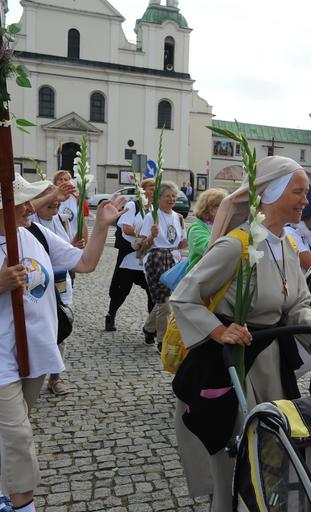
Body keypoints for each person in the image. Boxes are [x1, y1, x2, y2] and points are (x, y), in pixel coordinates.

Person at [169, 156, 311, 512]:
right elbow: (184, 297)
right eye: (298, 192)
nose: (305, 200)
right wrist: (219, 330)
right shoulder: (237, 245)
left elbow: (297, 302)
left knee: (271, 452)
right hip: (233, 365)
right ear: (271, 193)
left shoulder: (287, 245)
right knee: (234, 459)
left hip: (271, 366)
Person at [0, 174, 126, 512]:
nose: (30, 206)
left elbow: (85, 262)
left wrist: (102, 225)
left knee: (11, 432)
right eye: (22, 202)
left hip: (34, 354)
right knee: (18, 436)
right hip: (1, 361)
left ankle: (3, 489)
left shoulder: (34, 235)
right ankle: (22, 505)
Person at [29, 189, 86, 396]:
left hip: (61, 283)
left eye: (57, 204)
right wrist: (50, 195)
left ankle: (55, 376)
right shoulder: (30, 222)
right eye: (49, 204)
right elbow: (25, 209)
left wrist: (74, 245)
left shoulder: (62, 219)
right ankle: (30, 375)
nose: (54, 208)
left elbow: (67, 250)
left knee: (59, 328)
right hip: (36, 287)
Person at [138, 182, 188, 351]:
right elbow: (142, 245)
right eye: (168, 196)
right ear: (159, 198)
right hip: (156, 260)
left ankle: (148, 328)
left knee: (164, 301)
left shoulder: (178, 217)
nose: (171, 199)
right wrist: (151, 236)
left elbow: (181, 243)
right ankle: (162, 340)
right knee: (165, 303)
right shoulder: (152, 217)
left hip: (173, 260)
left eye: (174, 196)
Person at [104, 178, 155, 335]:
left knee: (152, 291)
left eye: (156, 188)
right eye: (151, 188)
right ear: (143, 191)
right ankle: (111, 315)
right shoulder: (133, 205)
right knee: (122, 290)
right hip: (130, 255)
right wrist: (143, 234)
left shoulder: (154, 209)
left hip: (146, 257)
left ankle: (151, 327)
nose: (154, 191)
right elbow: (126, 228)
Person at [185, 188, 226, 270]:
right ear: (211, 209)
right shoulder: (196, 228)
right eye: (223, 206)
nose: (227, 209)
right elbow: (209, 249)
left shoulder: (219, 225)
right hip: (199, 275)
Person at [51, 170, 88, 245]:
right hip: (56, 242)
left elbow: (82, 223)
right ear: (55, 182)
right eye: (60, 179)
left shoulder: (76, 198)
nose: (63, 182)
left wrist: (86, 243)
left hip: (76, 242)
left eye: (66, 179)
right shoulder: (50, 198)